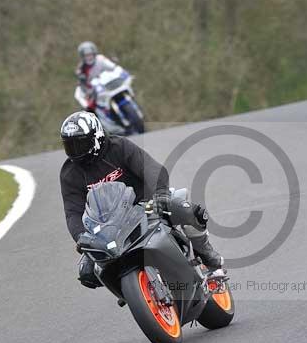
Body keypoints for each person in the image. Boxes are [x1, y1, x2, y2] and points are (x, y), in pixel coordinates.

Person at [58, 111, 225, 289]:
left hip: (146, 206)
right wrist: (81, 237)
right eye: (70, 145)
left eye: (80, 143)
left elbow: (150, 168)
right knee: (87, 272)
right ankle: (132, 290)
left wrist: (160, 193)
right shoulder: (69, 173)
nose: (75, 151)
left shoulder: (118, 146)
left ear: (96, 137)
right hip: (109, 226)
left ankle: (208, 257)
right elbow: (72, 212)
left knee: (184, 209)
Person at [74, 41, 119, 115]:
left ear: (94, 53)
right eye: (86, 56)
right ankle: (93, 116)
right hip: (96, 91)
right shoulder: (81, 69)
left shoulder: (101, 59)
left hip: (109, 84)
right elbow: (83, 84)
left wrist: (115, 65)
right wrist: (87, 90)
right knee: (83, 99)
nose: (89, 58)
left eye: (90, 55)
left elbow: (113, 67)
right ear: (83, 57)